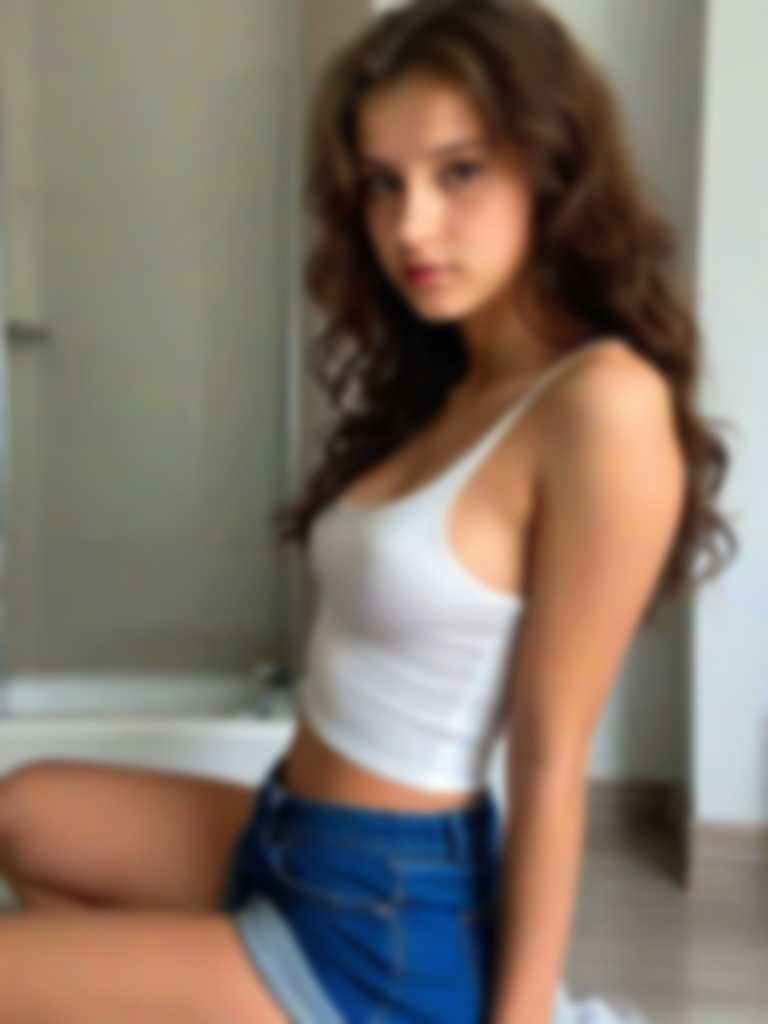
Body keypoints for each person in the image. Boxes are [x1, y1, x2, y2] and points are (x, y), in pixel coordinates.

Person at [0, 2, 737, 1022]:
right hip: (288, 831)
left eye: (458, 171)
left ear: (553, 165)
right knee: (24, 812)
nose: (411, 225)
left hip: (382, 918)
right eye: (384, 183)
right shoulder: (452, 379)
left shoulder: (602, 404)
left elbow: (551, 756)